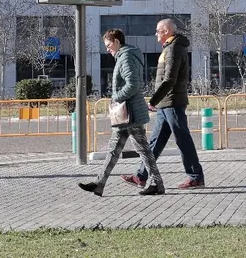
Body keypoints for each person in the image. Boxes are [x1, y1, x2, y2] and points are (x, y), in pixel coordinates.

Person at [79, 29, 164, 196]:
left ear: (117, 42)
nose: (107, 49)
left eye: (108, 45)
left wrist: (116, 97)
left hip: (130, 113)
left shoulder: (125, 57)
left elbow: (132, 84)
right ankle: (99, 183)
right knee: (116, 150)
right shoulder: (126, 56)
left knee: (142, 150)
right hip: (127, 114)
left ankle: (156, 183)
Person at [123, 19, 205, 190]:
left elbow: (169, 79)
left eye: (158, 31)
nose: (156, 34)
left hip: (172, 101)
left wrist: (153, 100)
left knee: (183, 139)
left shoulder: (174, 48)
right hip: (165, 103)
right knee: (155, 142)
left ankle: (195, 177)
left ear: (166, 31)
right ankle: (141, 176)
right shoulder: (169, 47)